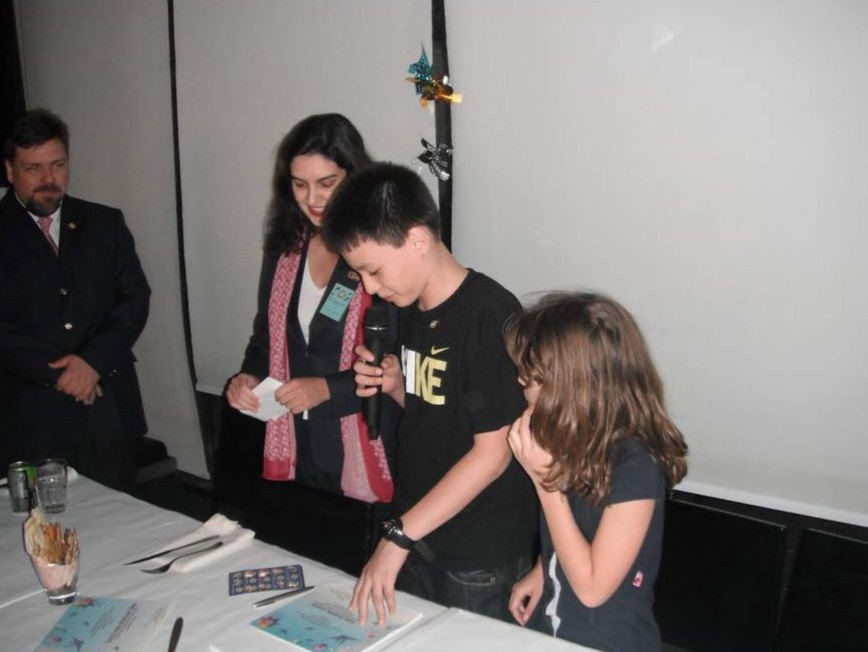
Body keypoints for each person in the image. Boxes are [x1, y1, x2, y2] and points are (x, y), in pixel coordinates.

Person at [322, 162, 538, 625]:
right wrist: (397, 387)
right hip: (422, 531)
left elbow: (493, 454)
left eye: (373, 270)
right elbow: (441, 410)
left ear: (417, 239)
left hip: (476, 552)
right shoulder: (411, 307)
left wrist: (398, 537)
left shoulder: (490, 314)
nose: (369, 288)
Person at [504, 292, 689, 652]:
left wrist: (544, 483)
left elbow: (592, 589)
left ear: (576, 383)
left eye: (535, 376)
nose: (523, 382)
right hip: (553, 626)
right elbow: (580, 527)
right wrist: (543, 569)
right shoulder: (573, 436)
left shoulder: (636, 466)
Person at [225, 113, 395, 504]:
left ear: (354, 177)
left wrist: (328, 389)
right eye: (300, 185)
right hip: (296, 441)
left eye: (326, 183)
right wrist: (249, 376)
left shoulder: (383, 245)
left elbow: (399, 356)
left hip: (364, 437)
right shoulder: (286, 246)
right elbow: (268, 336)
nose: (313, 199)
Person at [0, 108, 151, 492]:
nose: (49, 179)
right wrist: (61, 374)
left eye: (58, 165)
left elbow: (134, 298)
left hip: (106, 409)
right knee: (43, 523)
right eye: (33, 168)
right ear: (10, 171)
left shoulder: (105, 222)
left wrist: (93, 362)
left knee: (119, 516)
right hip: (31, 415)